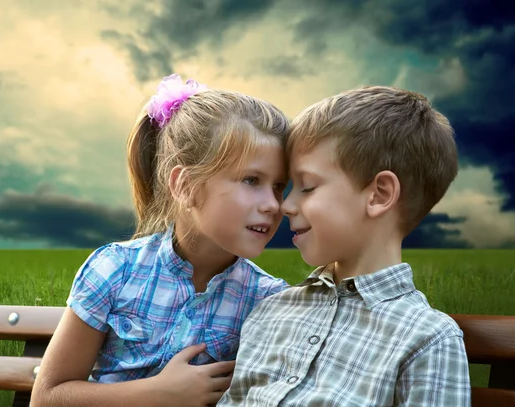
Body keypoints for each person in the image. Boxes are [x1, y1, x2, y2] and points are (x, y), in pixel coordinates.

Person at [29, 74, 291, 407]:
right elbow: (47, 398)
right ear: (184, 185)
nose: (273, 204)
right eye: (252, 180)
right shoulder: (116, 270)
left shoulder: (267, 300)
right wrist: (158, 393)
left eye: (279, 186)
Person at [217, 86, 471, 406]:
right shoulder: (270, 311)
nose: (286, 205)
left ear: (379, 195)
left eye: (307, 187)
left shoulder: (427, 339)